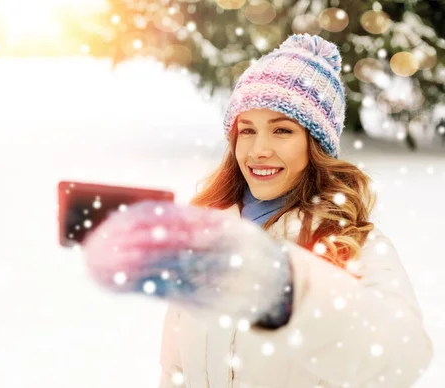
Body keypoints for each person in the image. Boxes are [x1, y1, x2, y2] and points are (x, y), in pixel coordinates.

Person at [82, 33, 433, 387]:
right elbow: (175, 369)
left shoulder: (355, 244)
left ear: (317, 146)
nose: (258, 150)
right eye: (247, 130)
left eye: (282, 130)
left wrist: (284, 288)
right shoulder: (208, 235)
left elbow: (402, 359)